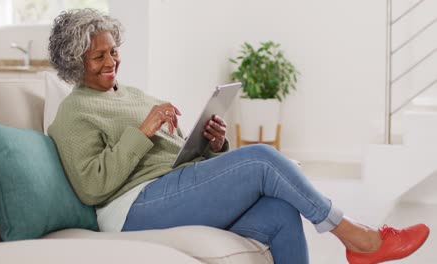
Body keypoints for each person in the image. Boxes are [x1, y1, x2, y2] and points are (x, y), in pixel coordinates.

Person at [47, 9, 429, 264]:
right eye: (98, 57)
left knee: (280, 213)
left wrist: (213, 145)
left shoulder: (128, 94)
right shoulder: (73, 112)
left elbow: (170, 157)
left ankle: (356, 237)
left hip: (170, 187)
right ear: (73, 62)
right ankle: (356, 236)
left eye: (113, 52)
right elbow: (92, 187)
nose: (111, 62)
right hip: (133, 209)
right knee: (262, 158)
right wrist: (143, 131)